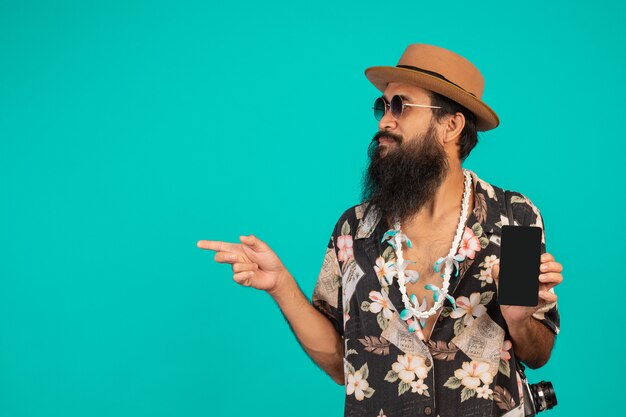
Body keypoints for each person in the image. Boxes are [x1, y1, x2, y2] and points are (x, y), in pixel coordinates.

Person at [197, 44, 563, 417]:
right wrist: (280, 286)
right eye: (382, 106)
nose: (384, 122)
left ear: (451, 125)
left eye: (400, 106)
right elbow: (342, 365)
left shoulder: (513, 218)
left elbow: (538, 354)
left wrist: (519, 319)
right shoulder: (355, 228)